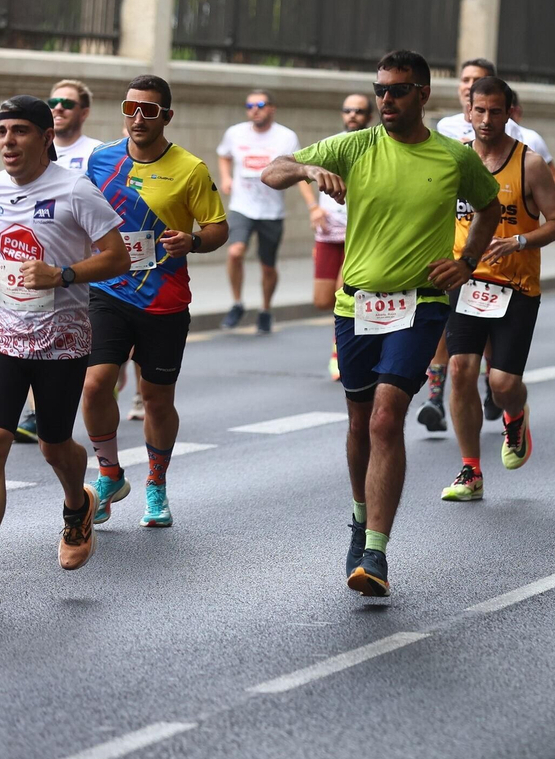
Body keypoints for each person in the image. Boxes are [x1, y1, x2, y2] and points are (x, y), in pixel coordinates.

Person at [261, 49, 502, 597]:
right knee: (358, 420)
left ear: (423, 94)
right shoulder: (354, 146)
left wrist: (466, 263)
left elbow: (488, 207)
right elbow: (269, 171)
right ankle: (358, 516)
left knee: (386, 419)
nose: (385, 100)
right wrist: (305, 168)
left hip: (420, 303)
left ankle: (375, 551)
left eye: (397, 90)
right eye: (380, 91)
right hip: (357, 305)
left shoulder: (452, 158)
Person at [0, 95, 129, 610]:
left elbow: (116, 257)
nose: (9, 142)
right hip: (2, 332)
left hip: (62, 337)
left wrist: (65, 274)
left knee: (54, 445)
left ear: (46, 136)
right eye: (2, 131)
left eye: (21, 132)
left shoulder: (75, 190)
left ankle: (78, 505)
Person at [81, 76, 229, 529]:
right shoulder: (101, 159)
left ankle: (156, 483)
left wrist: (194, 241)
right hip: (108, 290)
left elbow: (219, 227)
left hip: (163, 299)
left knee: (156, 400)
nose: (138, 119)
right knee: (94, 384)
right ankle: (108, 473)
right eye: (131, 109)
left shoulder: (190, 168)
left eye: (149, 110)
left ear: (167, 116)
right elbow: (81, 213)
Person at [441, 75, 555, 501]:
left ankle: (515, 415)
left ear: (509, 112)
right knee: (460, 371)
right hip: (467, 280)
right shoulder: (455, 160)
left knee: (501, 383)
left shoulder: (528, 163)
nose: (486, 119)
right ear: (467, 111)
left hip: (516, 286)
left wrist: (520, 240)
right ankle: (470, 471)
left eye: (496, 111)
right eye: (479, 110)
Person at [16, 79, 105, 442]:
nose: (59, 107)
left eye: (67, 103)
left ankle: (106, 386)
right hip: (46, 265)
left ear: (83, 112)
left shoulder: (98, 153)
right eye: (53, 101)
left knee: (101, 354)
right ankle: (38, 415)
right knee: (37, 331)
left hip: (93, 266)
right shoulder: (34, 148)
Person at [216, 89, 303, 334]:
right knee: (235, 252)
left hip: (271, 211)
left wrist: (313, 205)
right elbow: (223, 155)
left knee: (268, 266)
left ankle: (265, 309)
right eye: (250, 105)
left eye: (261, 104)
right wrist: (225, 177)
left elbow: (298, 171)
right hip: (242, 206)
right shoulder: (235, 133)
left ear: (272, 108)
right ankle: (237, 303)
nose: (254, 109)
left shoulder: (286, 136)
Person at [303, 94, 367, 380]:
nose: (353, 115)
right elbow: (297, 172)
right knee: (321, 300)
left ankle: (339, 350)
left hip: (359, 234)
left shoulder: (374, 147)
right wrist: (314, 207)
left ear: (370, 115)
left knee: (345, 294)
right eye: (348, 110)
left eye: (359, 111)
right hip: (327, 234)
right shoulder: (330, 145)